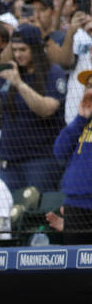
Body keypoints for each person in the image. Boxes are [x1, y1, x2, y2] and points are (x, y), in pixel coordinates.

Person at [0, 24, 66, 192]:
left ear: (35, 48)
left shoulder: (53, 72)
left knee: (37, 211)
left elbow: (47, 109)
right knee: (14, 213)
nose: (18, 54)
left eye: (23, 49)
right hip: (10, 159)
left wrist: (18, 83)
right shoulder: (8, 71)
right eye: (15, 49)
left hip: (40, 159)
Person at [51, 71, 92, 244]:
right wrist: (80, 118)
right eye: (89, 86)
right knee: (75, 266)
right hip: (75, 205)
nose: (90, 92)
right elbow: (60, 151)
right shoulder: (81, 123)